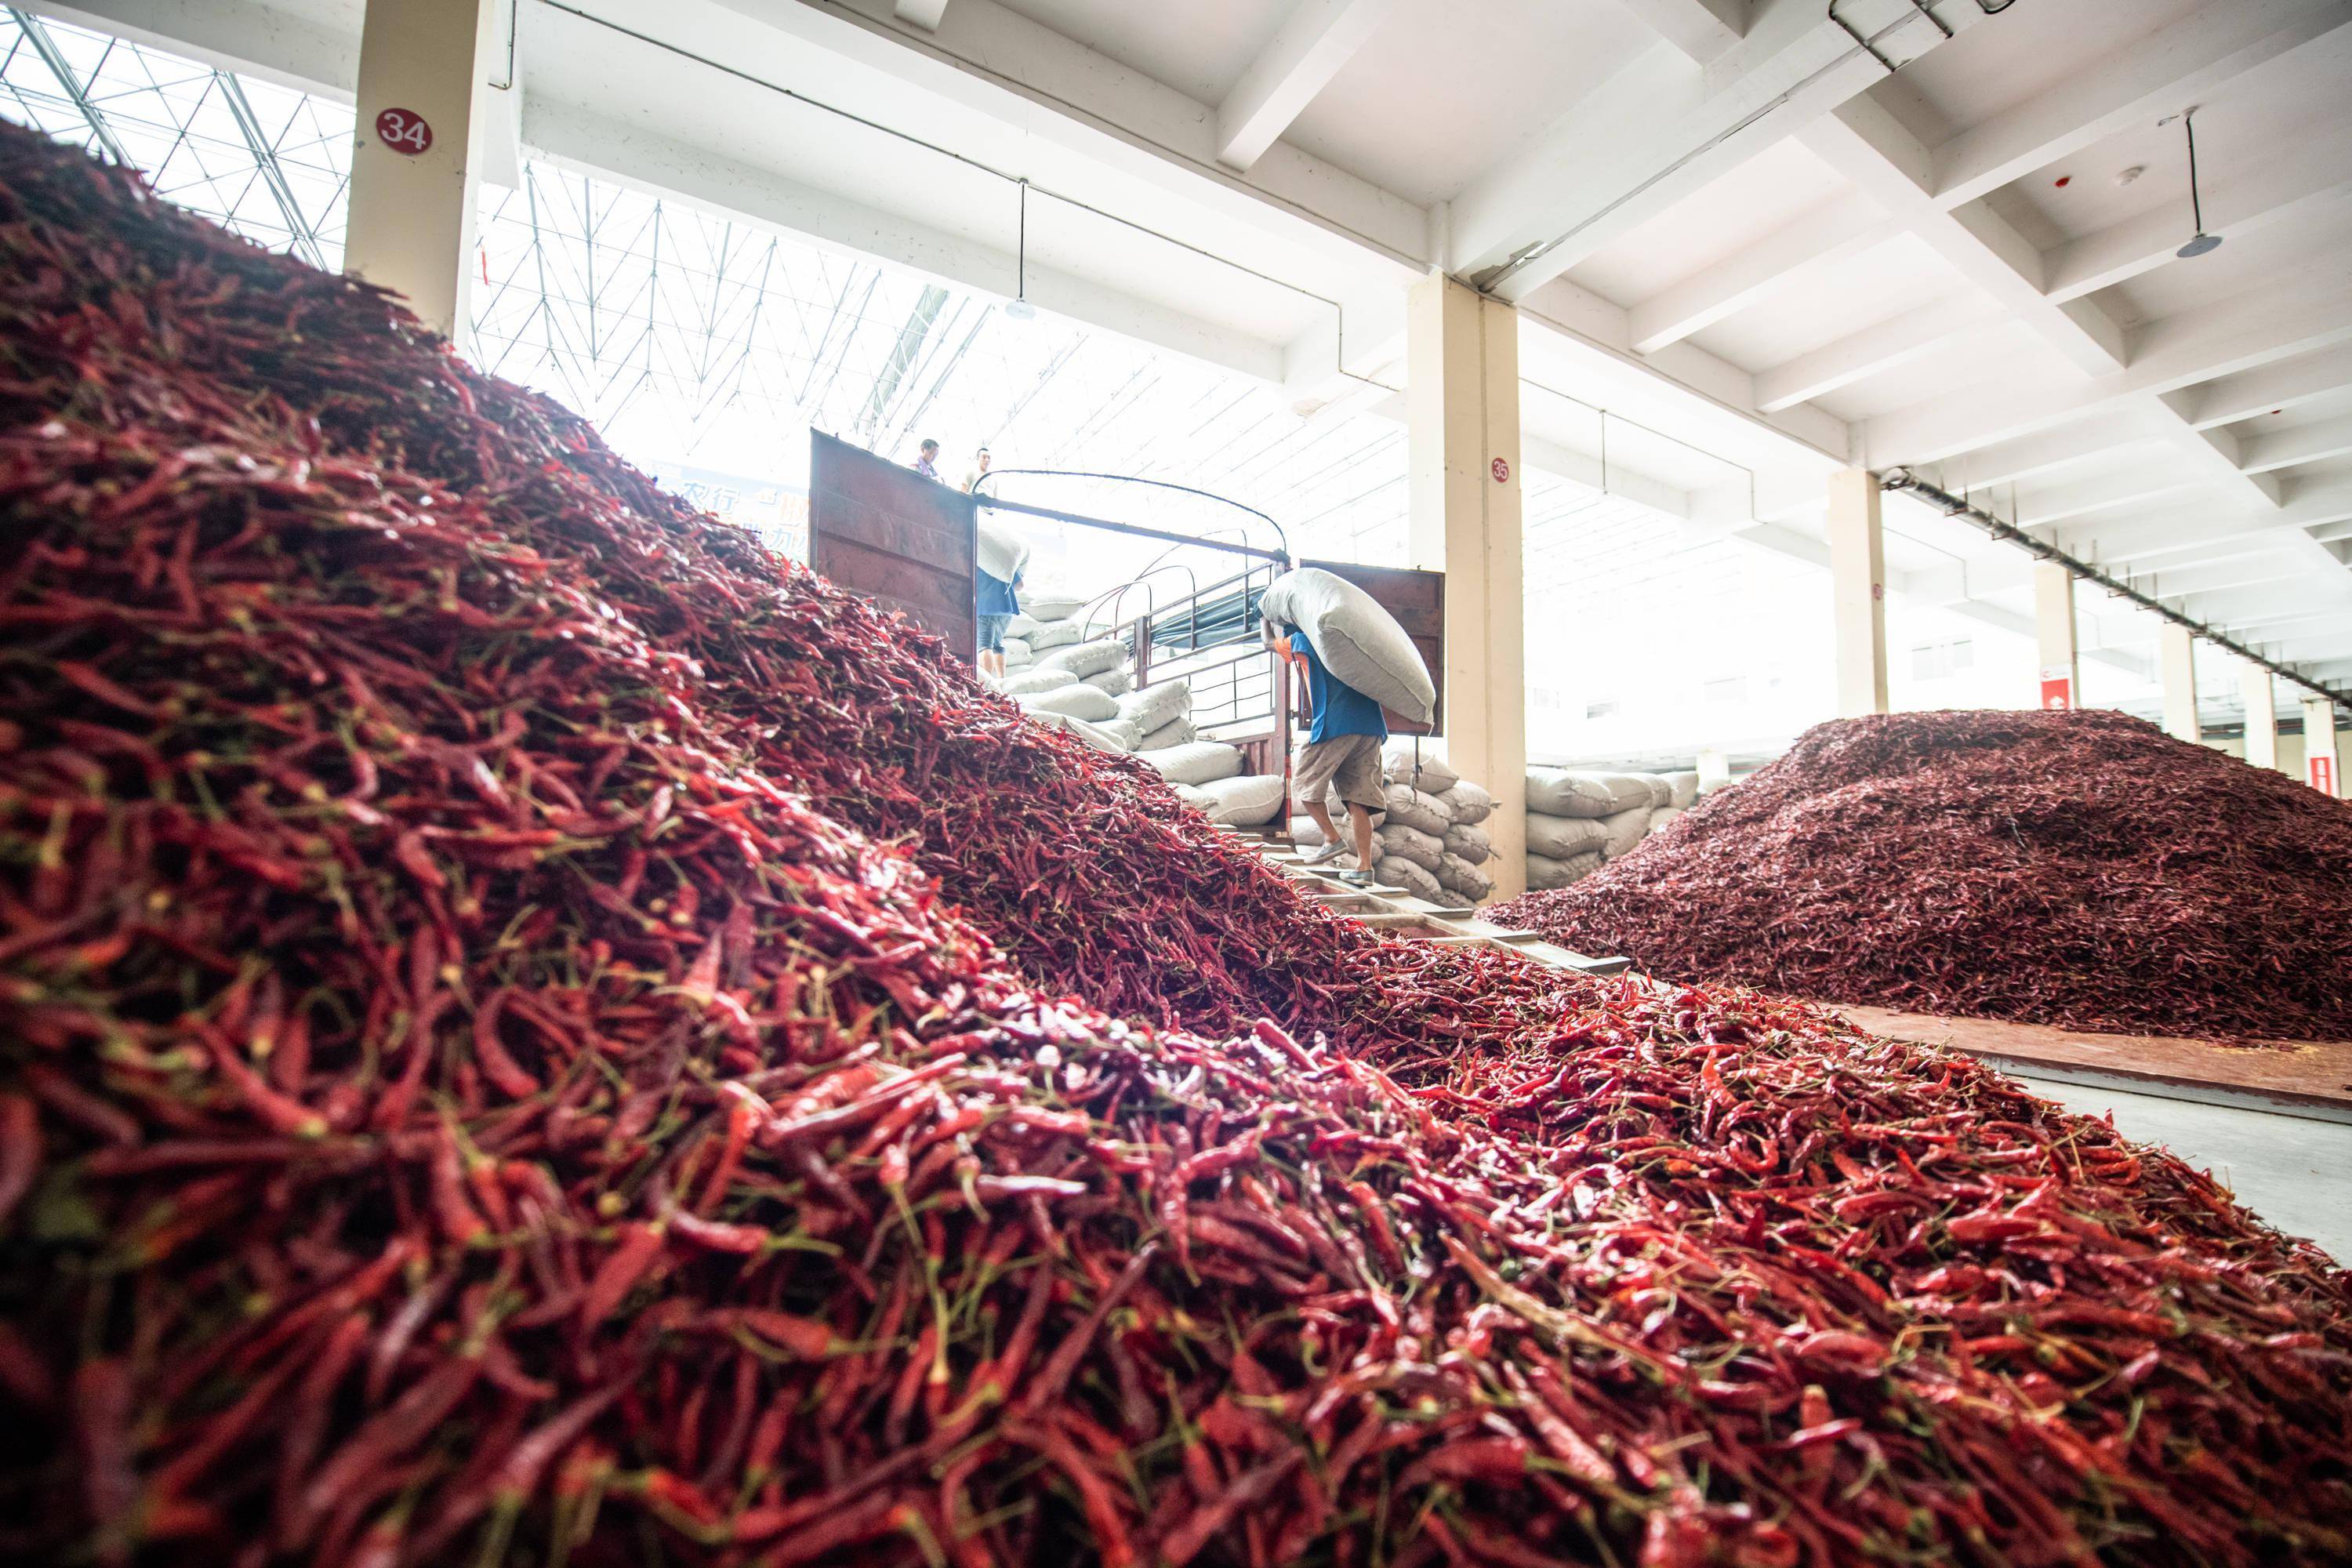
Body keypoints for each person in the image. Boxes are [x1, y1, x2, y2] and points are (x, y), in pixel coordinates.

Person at [1265, 614, 1385, 885]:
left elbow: (1268, 643)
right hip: (1371, 724)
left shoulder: (1303, 639)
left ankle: (1332, 838)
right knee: (1358, 799)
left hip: (1336, 722)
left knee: (1304, 785)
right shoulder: (1354, 641)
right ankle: (1364, 867)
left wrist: (1263, 617)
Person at [975, 553, 1020, 680]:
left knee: (984, 645)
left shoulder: (978, 560)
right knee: (997, 645)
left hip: (986, 607)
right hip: (1006, 609)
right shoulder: (1005, 561)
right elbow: (1019, 585)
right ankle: (1001, 678)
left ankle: (987, 682)